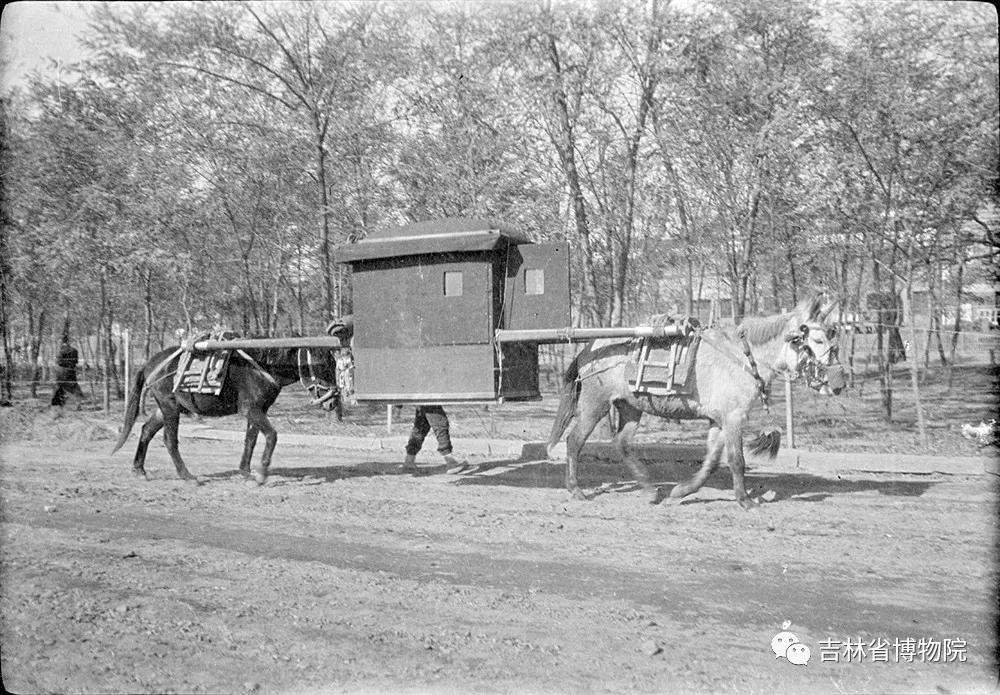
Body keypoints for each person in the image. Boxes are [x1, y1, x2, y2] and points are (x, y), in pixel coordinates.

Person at [402, 405, 468, 472]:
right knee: (440, 424)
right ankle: (450, 462)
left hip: (422, 397)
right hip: (428, 398)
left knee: (421, 426)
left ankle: (409, 460)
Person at [50, 335, 85, 407]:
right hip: (71, 371)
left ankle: (57, 404)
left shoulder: (61, 351)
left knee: (59, 386)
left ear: (63, 342)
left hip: (62, 372)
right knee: (74, 386)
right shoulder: (75, 350)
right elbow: (76, 361)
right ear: (68, 341)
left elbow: (59, 362)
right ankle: (78, 403)